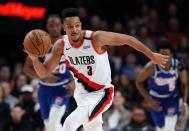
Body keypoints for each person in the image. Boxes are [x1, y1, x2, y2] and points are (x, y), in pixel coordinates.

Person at [25, 8, 169, 131]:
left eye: (77, 25)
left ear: (80, 25)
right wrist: (34, 58)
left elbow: (128, 39)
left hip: (101, 93)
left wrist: (152, 55)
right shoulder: (61, 45)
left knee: (69, 124)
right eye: (70, 27)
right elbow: (43, 72)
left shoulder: (96, 38)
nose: (74, 30)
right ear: (64, 27)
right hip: (80, 95)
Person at [23, 14, 74, 131]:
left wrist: (74, 82)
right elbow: (26, 68)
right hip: (44, 90)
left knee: (54, 121)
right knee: (49, 126)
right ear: (47, 26)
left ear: (62, 26)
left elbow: (79, 65)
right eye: (51, 25)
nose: (54, 28)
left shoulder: (68, 42)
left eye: (57, 25)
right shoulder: (39, 43)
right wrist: (42, 76)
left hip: (62, 88)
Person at [135, 40, 188, 131]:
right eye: (161, 55)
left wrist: (184, 103)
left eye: (166, 54)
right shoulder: (151, 67)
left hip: (172, 99)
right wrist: (148, 100)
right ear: (157, 55)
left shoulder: (179, 65)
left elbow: (185, 84)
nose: (164, 57)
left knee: (170, 128)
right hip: (156, 99)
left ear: (171, 54)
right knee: (160, 128)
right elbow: (138, 82)